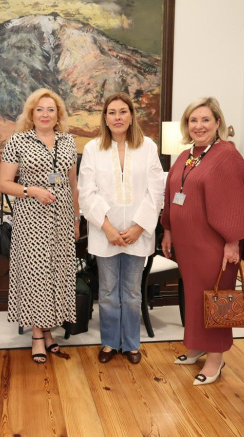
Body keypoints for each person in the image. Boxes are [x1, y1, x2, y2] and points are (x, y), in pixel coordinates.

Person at [161, 97, 244, 385]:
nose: (199, 125)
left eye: (205, 120)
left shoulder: (226, 155)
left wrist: (233, 242)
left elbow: (236, 200)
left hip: (214, 245)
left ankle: (216, 357)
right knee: (195, 296)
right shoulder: (186, 156)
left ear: (218, 123)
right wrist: (168, 230)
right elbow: (171, 194)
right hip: (188, 245)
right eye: (193, 120)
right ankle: (198, 345)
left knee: (217, 297)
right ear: (186, 125)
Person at [78, 93, 164, 364]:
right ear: (105, 117)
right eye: (112, 112)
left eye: (122, 112)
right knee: (107, 292)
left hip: (137, 234)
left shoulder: (147, 146)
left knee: (131, 291)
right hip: (106, 234)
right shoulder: (93, 148)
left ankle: (130, 344)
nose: (117, 117)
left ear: (131, 116)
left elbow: (156, 190)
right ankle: (109, 343)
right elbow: (86, 192)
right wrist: (107, 228)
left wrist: (139, 227)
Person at [0, 88, 80, 364]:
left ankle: (48, 331)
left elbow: (72, 184)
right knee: (35, 275)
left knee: (56, 274)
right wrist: (32, 190)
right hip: (32, 219)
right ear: (31, 114)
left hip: (62, 219)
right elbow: (5, 184)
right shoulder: (18, 141)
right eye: (39, 109)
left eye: (51, 110)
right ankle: (36, 334)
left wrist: (76, 219)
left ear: (58, 115)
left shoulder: (68, 142)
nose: (45, 114)